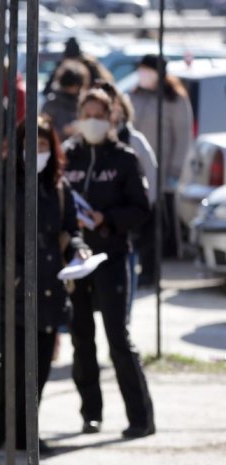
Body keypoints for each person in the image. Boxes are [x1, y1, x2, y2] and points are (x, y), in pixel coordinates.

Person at [0, 117, 89, 454]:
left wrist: (79, 250)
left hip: (50, 292)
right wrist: (13, 274)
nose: (36, 153)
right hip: (13, 293)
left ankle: (26, 432)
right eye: (30, 146)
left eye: (42, 147)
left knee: (38, 368)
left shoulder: (58, 187)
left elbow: (71, 230)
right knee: (10, 368)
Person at [63, 89, 156, 439]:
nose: (93, 121)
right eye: (86, 113)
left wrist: (107, 219)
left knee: (118, 337)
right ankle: (91, 413)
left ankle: (140, 417)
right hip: (76, 261)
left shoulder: (124, 158)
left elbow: (141, 208)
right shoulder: (67, 155)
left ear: (112, 117)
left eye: (99, 114)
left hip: (112, 257)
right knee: (81, 338)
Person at [98, 80, 158, 315]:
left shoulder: (133, 142)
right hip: (92, 231)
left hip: (125, 229)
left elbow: (150, 184)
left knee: (121, 299)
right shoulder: (80, 145)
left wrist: (137, 215)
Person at [128, 54, 194, 262]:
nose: (143, 74)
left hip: (164, 165)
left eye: (147, 70)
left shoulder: (174, 99)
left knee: (163, 212)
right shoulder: (136, 95)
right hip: (138, 165)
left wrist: (176, 169)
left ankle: (168, 253)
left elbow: (183, 136)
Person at [42, 60, 87, 141]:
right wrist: (63, 131)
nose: (72, 90)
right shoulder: (52, 103)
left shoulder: (83, 102)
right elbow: (43, 132)